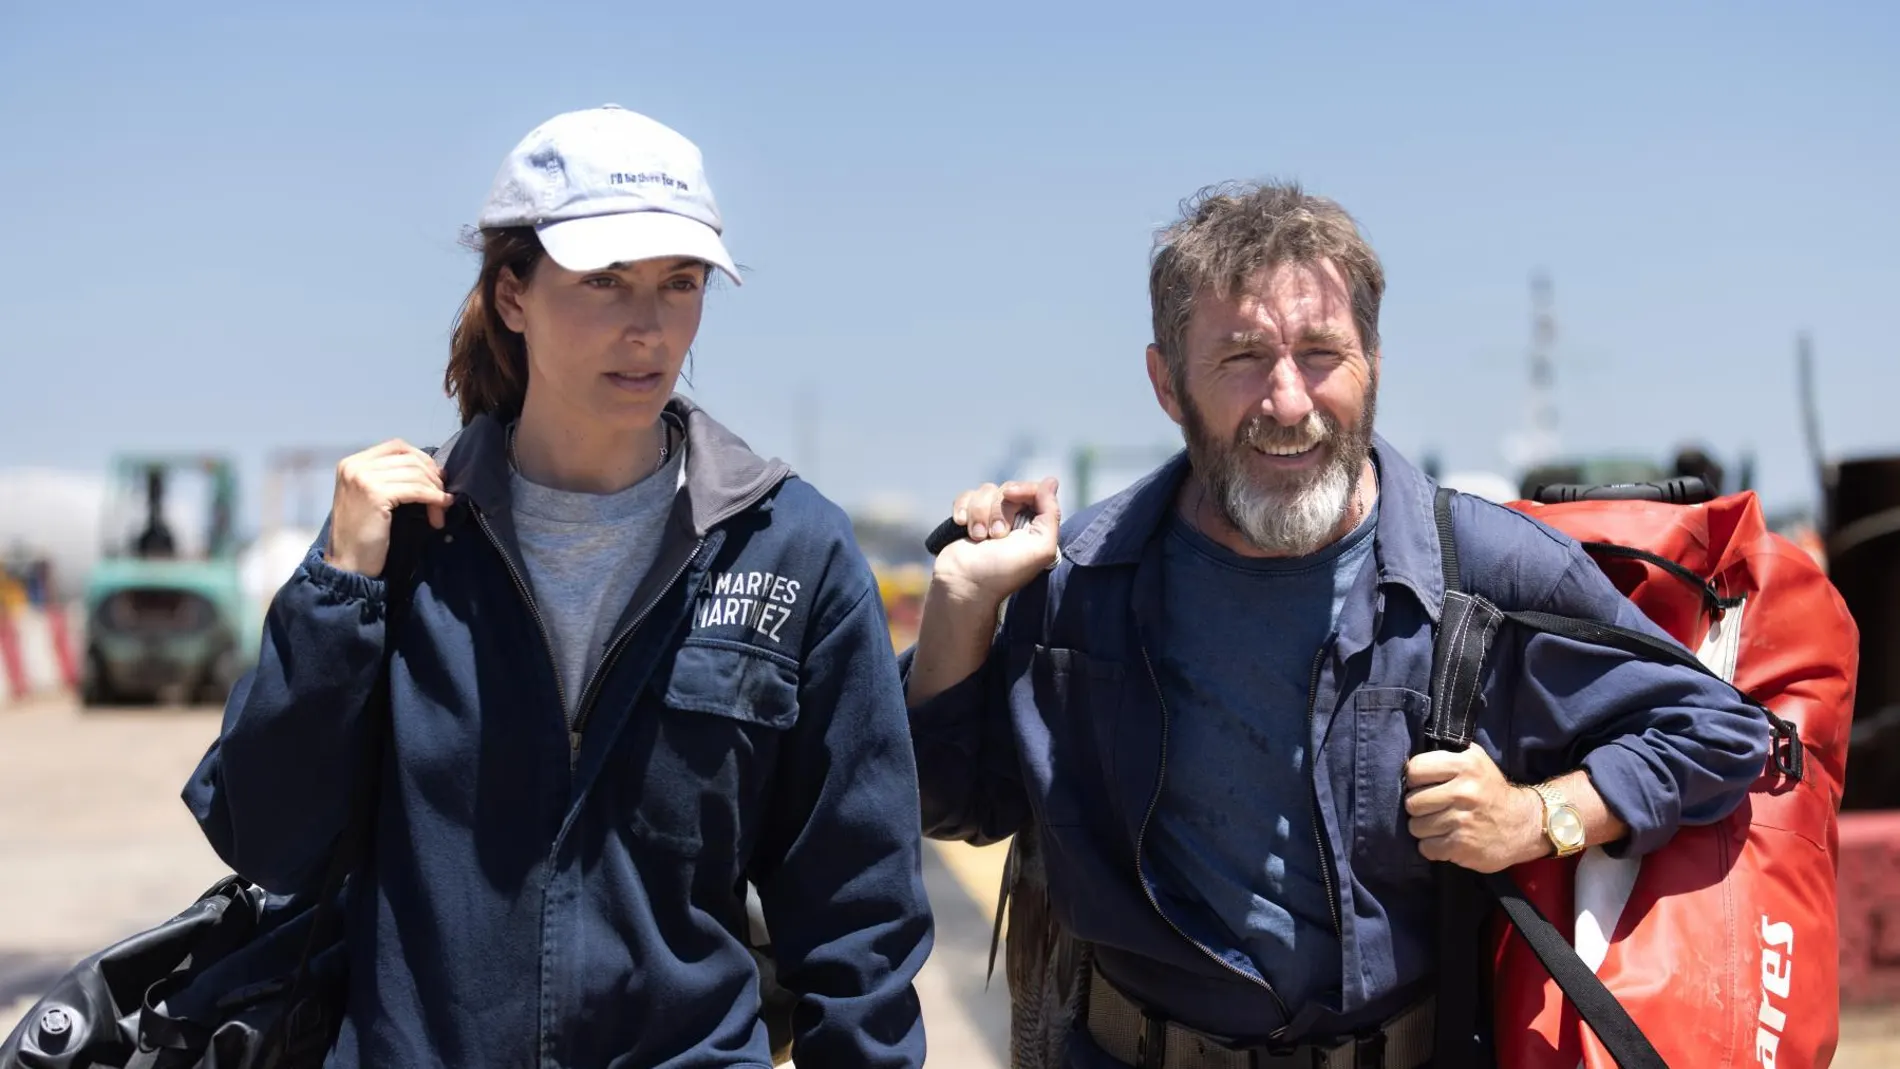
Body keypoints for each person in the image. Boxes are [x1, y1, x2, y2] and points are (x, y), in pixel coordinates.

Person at [903, 181, 1768, 1069]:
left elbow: (1721, 729)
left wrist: (1536, 815)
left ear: (1375, 364)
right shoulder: (1083, 582)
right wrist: (963, 607)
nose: (1287, 401)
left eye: (1321, 353)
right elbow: (954, 800)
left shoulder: (1479, 570)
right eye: (1241, 357)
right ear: (1167, 384)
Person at [184, 105, 932, 1069]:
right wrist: (339, 590)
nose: (647, 326)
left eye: (681, 282)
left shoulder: (792, 551)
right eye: (604, 281)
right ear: (511, 295)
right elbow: (268, 838)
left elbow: (857, 914)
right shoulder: (401, 543)